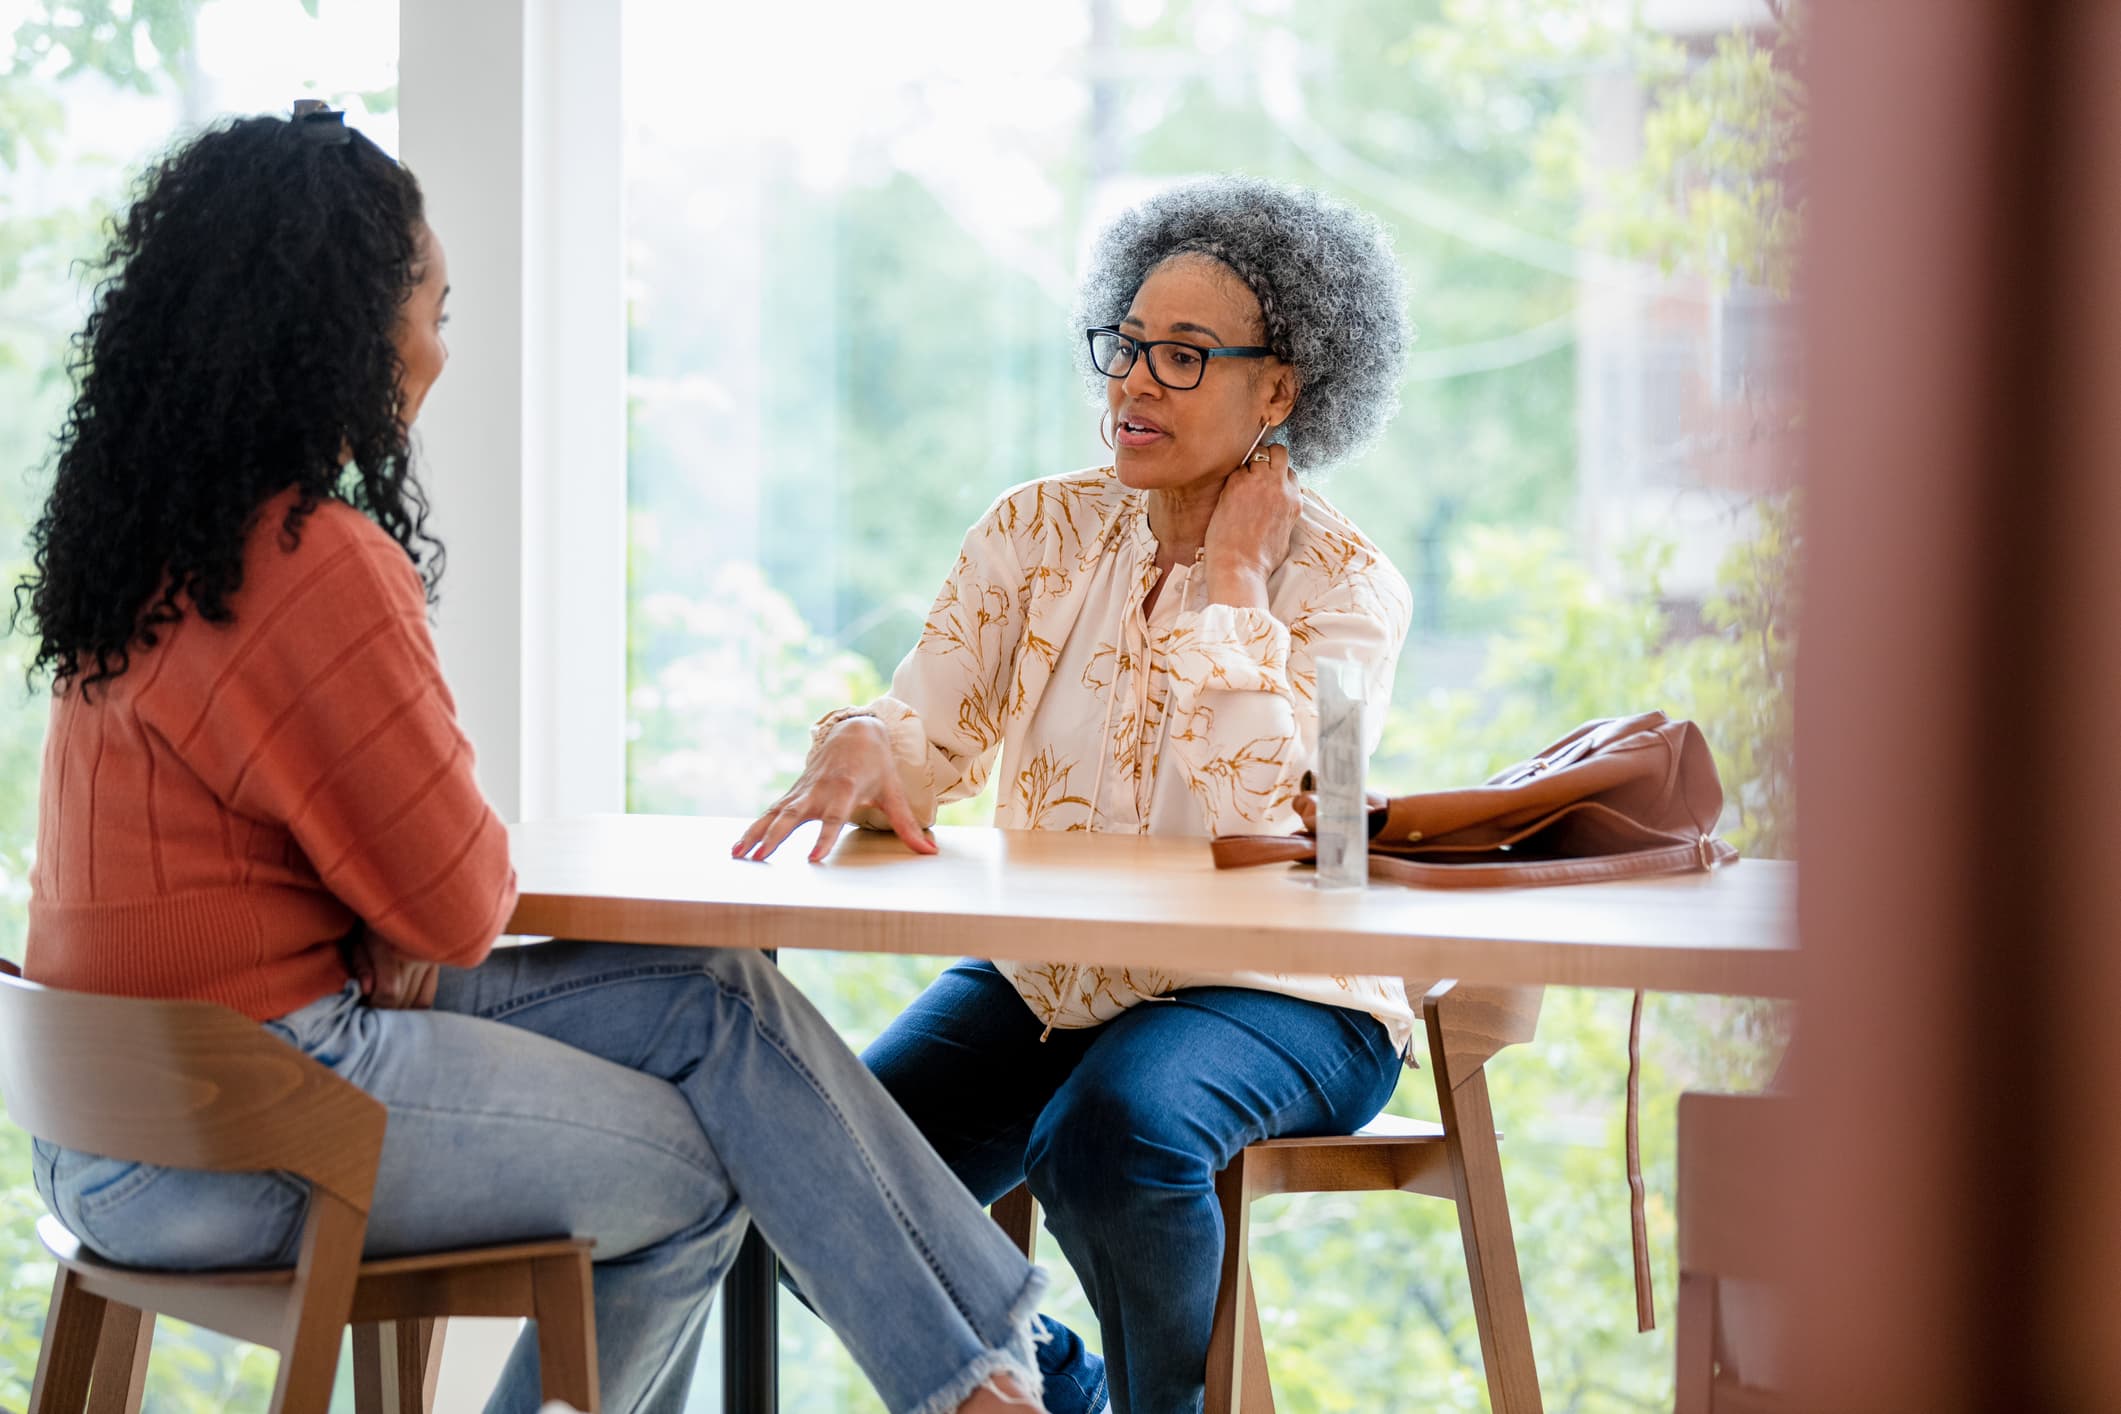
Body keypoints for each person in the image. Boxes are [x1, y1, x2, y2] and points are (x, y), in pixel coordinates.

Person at [15, 107, 1045, 1414]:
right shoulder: (313, 557)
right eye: (435, 310)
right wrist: (389, 904)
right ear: (345, 329)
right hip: (251, 1122)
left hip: (108, 1123)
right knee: (715, 1156)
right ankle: (989, 1376)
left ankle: (982, 1372)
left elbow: (335, 879)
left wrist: (373, 906)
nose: (441, 351)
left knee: (716, 996)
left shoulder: (151, 546)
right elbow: (452, 902)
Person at [737, 175, 1417, 1414]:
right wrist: (858, 739)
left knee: (1111, 1138)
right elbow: (928, 737)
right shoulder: (1034, 531)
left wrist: (1229, 581)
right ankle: (1057, 1391)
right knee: (811, 1178)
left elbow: (1281, 829)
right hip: (1054, 976)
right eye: (1127, 344)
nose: (1134, 382)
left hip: (1285, 989)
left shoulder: (1352, 587)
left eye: (1185, 356)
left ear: (1284, 389)